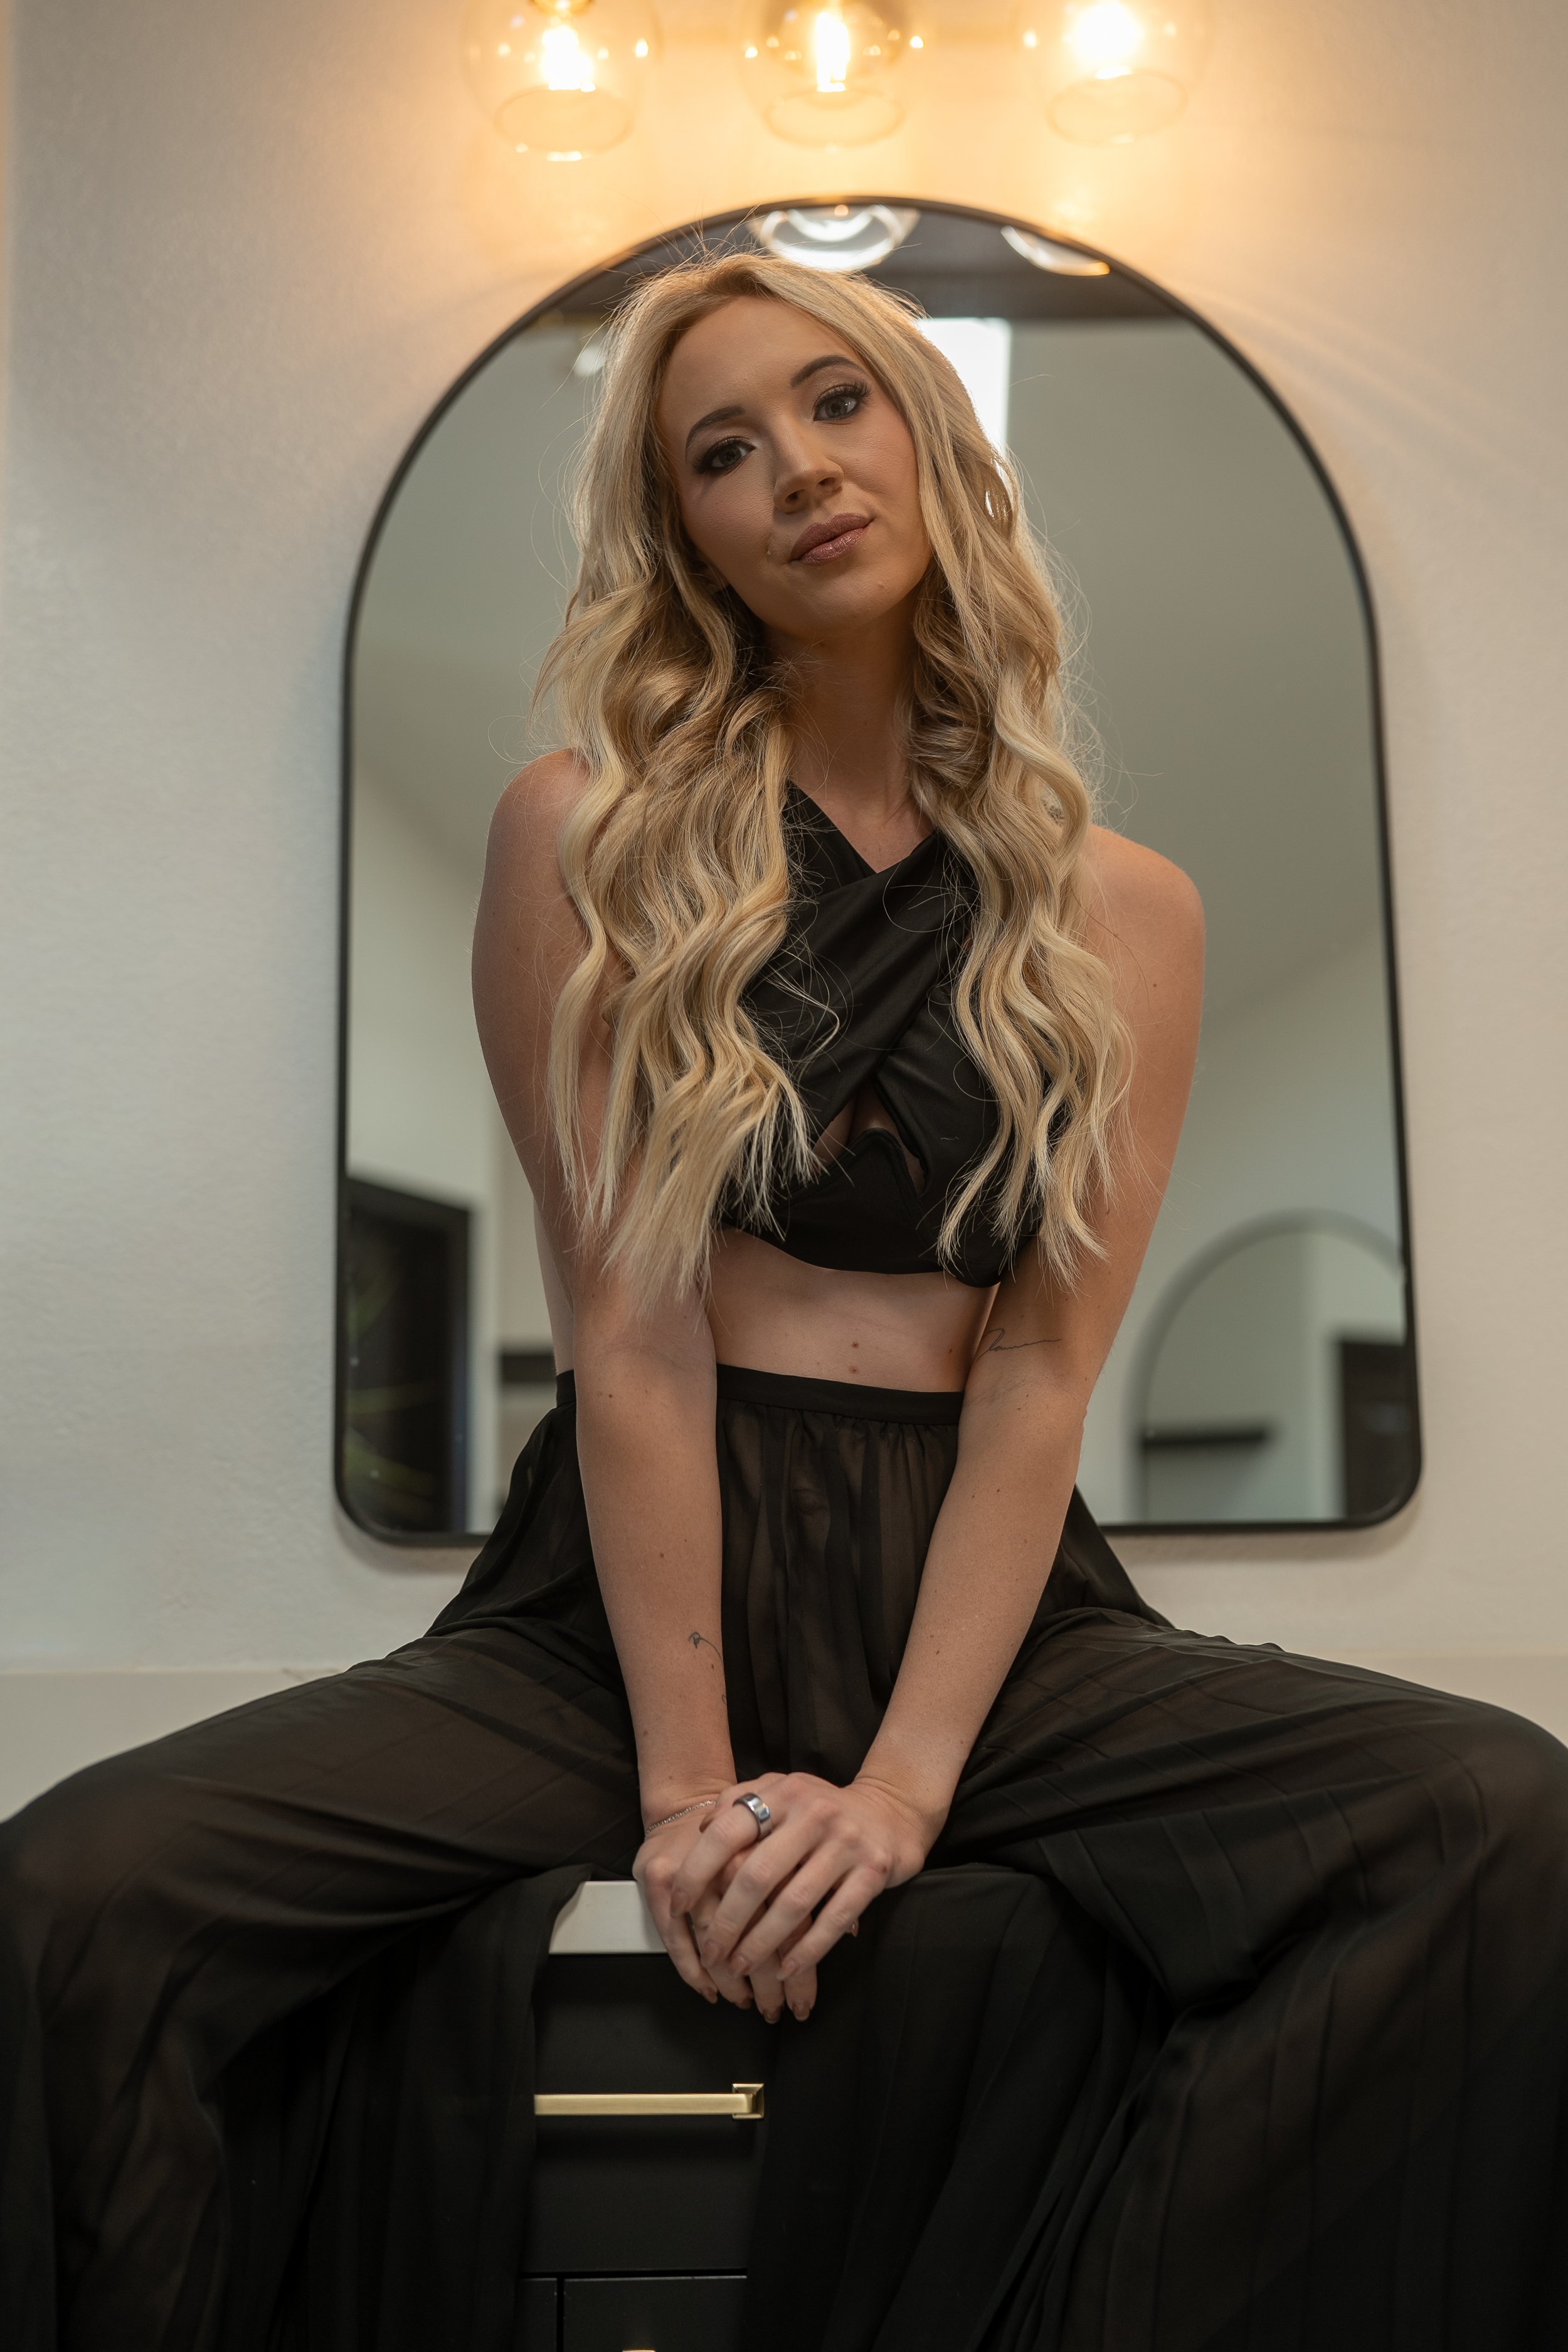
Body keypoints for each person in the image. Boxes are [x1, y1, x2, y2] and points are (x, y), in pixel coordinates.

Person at [3, 249, 1566, 2352]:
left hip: (979, 1611)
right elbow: (632, 1339)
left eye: (836, 403)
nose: (799, 471)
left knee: (1487, 1817)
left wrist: (904, 1791)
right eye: (720, 453)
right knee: (78, 1894)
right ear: (687, 540)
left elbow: (1036, 1371)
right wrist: (686, 1797)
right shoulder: (587, 838)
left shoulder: (1124, 912)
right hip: (617, 1612)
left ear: (929, 439)